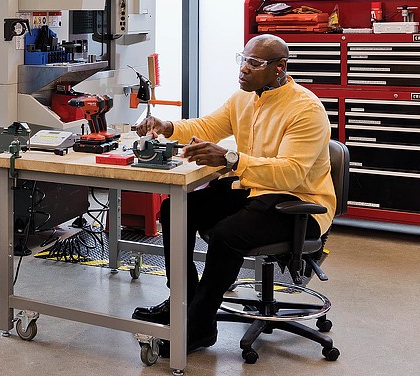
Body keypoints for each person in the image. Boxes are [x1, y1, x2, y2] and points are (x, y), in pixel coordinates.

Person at [132, 34, 335, 356]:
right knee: (176, 210)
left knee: (228, 235)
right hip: (253, 188)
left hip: (299, 203)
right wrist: (167, 126)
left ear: (280, 68)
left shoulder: (305, 109)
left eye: (254, 63)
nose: (244, 69)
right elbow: (209, 126)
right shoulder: (245, 99)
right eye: (242, 59)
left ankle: (199, 327)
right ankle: (182, 301)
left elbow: (291, 172)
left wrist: (230, 159)